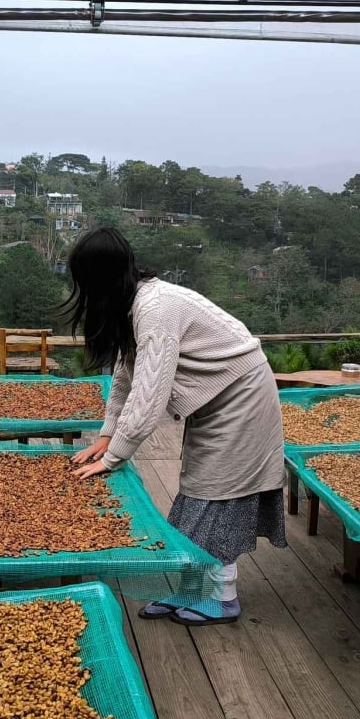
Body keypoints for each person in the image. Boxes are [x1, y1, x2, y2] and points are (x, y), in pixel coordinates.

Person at [67, 226, 287, 625]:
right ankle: (190, 590)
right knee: (196, 492)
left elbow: (149, 394)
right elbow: (125, 375)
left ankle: (221, 598)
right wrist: (106, 435)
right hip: (214, 398)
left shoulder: (156, 308)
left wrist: (115, 456)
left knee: (219, 494)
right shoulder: (132, 305)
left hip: (242, 395)